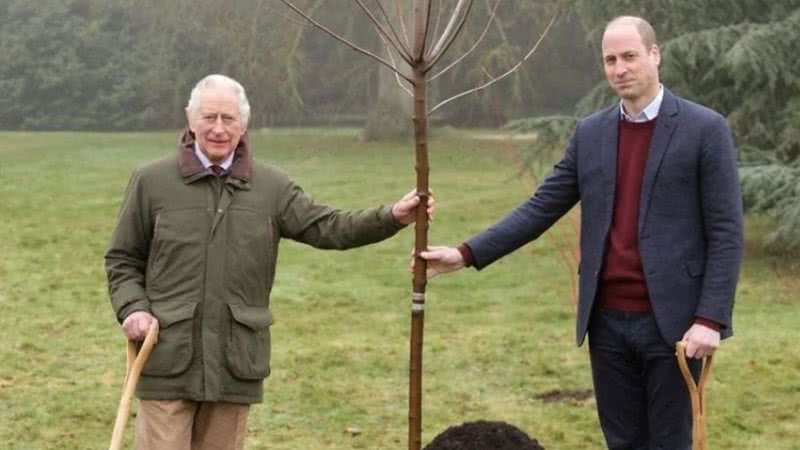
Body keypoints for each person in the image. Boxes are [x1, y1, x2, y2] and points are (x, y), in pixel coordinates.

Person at [419, 16, 743, 450]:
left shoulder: (705, 129)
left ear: (655, 54)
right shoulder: (591, 134)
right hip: (606, 322)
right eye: (610, 60)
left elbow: (726, 231)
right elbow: (541, 207)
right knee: (622, 442)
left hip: (676, 327)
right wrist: (465, 253)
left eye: (629, 56)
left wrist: (709, 319)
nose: (619, 68)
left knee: (668, 443)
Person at [105, 74, 434, 450]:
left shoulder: (271, 187)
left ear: (244, 124)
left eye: (228, 119)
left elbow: (329, 227)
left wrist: (392, 216)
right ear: (190, 119)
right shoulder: (152, 182)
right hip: (167, 358)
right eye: (209, 117)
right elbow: (123, 257)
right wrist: (133, 308)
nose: (218, 129)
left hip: (234, 363)